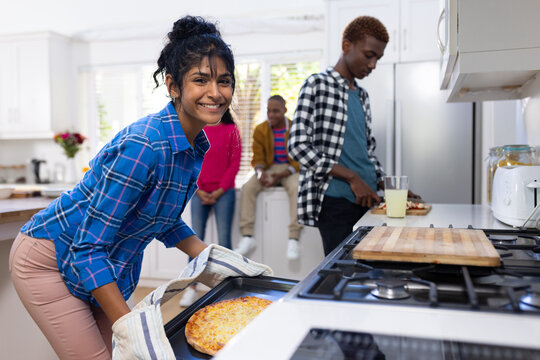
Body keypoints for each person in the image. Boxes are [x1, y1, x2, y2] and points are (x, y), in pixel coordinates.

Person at [9, 15, 235, 359]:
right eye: (200, 80)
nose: (215, 93)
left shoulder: (195, 145)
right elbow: (87, 248)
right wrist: (133, 327)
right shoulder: (144, 146)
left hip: (102, 262)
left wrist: (212, 258)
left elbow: (163, 218)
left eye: (224, 81)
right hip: (52, 259)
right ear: (173, 85)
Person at [288, 16, 420, 256]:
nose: (373, 65)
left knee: (370, 273)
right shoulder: (317, 84)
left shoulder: (362, 95)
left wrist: (389, 186)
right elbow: (297, 145)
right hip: (336, 202)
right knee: (341, 276)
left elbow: (366, 151)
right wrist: (352, 178)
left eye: (378, 59)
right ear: (347, 45)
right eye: (369, 55)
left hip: (368, 200)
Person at [180, 108, 241, 307]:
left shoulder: (231, 129)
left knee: (224, 240)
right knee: (194, 239)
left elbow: (235, 163)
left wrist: (220, 190)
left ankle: (228, 289)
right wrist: (198, 189)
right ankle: (191, 287)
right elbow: (189, 160)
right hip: (198, 192)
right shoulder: (197, 129)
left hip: (224, 193)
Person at [234, 95, 303, 260]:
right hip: (269, 168)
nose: (271, 115)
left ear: (285, 111)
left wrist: (279, 175)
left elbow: (299, 160)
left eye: (275, 111)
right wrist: (260, 173)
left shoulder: (295, 129)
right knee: (248, 187)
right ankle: (247, 236)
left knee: (295, 187)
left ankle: (293, 237)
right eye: (268, 111)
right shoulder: (260, 130)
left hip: (290, 168)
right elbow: (258, 158)